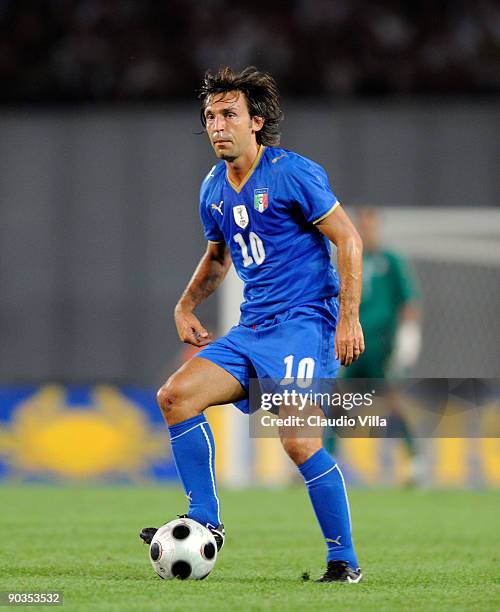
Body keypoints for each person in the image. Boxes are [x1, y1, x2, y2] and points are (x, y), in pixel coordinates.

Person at [140, 67, 365, 583]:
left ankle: (343, 561)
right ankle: (205, 520)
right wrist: (185, 305)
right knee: (175, 396)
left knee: (298, 441)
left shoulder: (293, 174)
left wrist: (347, 319)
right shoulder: (213, 188)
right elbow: (218, 258)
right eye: (211, 116)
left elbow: (348, 241)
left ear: (256, 122)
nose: (217, 126)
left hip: (304, 323)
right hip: (253, 328)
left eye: (229, 115)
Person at [329, 206, 422, 482]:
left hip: (383, 346)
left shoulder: (391, 261)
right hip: (353, 346)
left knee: (393, 401)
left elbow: (409, 303)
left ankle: (416, 461)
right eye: (362, 227)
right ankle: (327, 461)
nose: (366, 232)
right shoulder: (348, 258)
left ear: (377, 229)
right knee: (339, 401)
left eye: (371, 227)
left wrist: (409, 336)